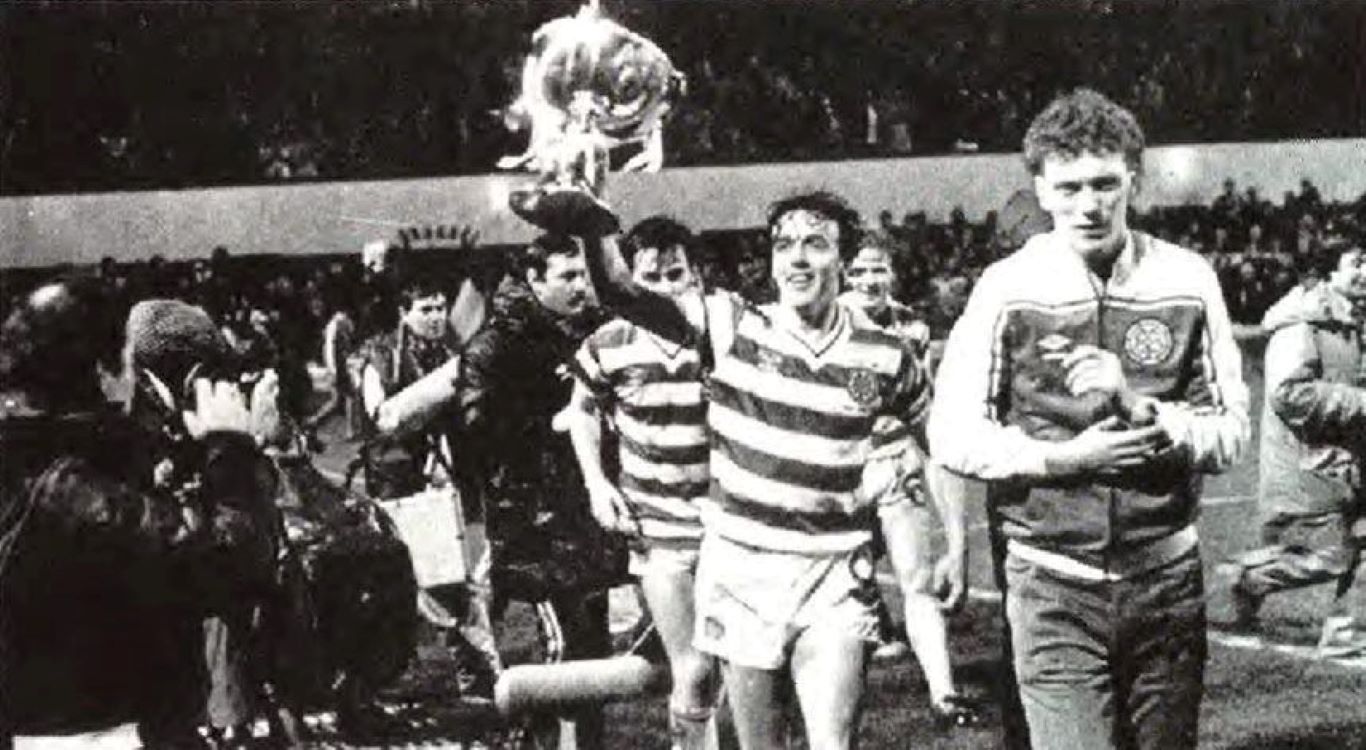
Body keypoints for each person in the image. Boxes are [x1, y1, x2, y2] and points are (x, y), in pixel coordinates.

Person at [929, 88, 1249, 750]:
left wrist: (1143, 408)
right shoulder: (1006, 288)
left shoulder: (1187, 279)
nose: (1089, 203)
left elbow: (1231, 434)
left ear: (1134, 179)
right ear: (1041, 190)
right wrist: (1060, 460)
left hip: (1166, 584)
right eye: (1069, 186)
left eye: (1105, 183)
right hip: (1052, 586)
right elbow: (951, 433)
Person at [573, 191, 951, 750]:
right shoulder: (729, 325)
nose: (797, 259)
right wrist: (591, 228)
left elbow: (941, 439)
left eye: (815, 245)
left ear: (843, 261)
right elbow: (624, 294)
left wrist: (949, 541)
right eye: (784, 245)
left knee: (832, 742)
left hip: (834, 572)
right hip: (744, 568)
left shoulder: (885, 353)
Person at [0, 280, 274, 749]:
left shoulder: (35, 463)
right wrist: (230, 450)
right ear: (104, 373)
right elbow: (230, 563)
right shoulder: (70, 491)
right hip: (101, 733)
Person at [456, 233, 627, 749]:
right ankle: (534, 742)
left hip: (584, 517)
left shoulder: (594, 331)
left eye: (583, 275)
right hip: (534, 525)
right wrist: (552, 424)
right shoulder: (496, 344)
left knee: (590, 648)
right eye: (566, 276)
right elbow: (475, 429)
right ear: (534, 281)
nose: (580, 286)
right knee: (560, 648)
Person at [563, 217, 722, 750]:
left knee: (750, 668)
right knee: (695, 669)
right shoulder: (609, 343)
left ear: (696, 277)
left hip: (731, 521)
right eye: (649, 276)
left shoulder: (720, 333)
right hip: (657, 524)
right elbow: (581, 411)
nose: (662, 287)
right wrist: (596, 484)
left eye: (675, 274)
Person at [837, 240, 980, 729]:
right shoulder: (830, 322)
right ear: (843, 275)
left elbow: (925, 415)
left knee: (916, 581)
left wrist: (956, 536)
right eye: (858, 272)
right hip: (843, 471)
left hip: (896, 461)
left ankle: (944, 693)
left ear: (892, 273)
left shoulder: (910, 329)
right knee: (839, 593)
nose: (869, 281)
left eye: (877, 270)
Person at [357, 274, 499, 707]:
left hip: (455, 480)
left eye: (440, 307)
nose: (436, 317)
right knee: (420, 583)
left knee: (469, 579)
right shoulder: (379, 357)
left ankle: (475, 672)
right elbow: (382, 419)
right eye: (426, 309)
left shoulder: (454, 352)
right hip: (402, 485)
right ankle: (379, 677)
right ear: (404, 313)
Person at [1217, 243, 1366, 655]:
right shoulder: (1301, 324)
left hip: (1344, 460)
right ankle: (1248, 577)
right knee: (1331, 557)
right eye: (1358, 263)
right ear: (1327, 274)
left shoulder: (1350, 322)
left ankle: (1345, 631)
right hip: (1308, 465)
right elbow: (1288, 394)